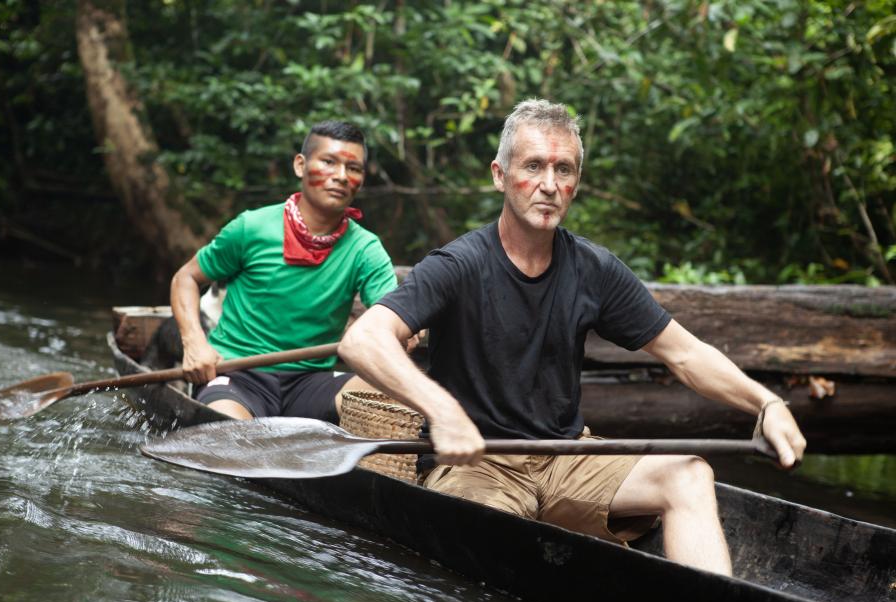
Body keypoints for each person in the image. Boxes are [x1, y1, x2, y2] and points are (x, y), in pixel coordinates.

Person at [338, 99, 806, 576]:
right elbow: (362, 342)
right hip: (477, 466)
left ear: (575, 184)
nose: (549, 184)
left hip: (566, 458)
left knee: (689, 475)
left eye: (564, 169)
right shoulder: (458, 265)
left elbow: (685, 354)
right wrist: (444, 413)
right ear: (500, 175)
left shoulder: (594, 269)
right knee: (488, 537)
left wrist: (767, 404)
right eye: (534, 166)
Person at [171, 120, 398, 424]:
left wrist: (403, 330)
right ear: (300, 166)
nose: (342, 177)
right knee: (231, 433)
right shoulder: (251, 227)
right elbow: (185, 278)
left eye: (354, 168)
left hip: (312, 382)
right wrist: (195, 344)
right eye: (329, 162)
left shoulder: (365, 248)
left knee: (395, 395)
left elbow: (394, 314)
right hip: (236, 374)